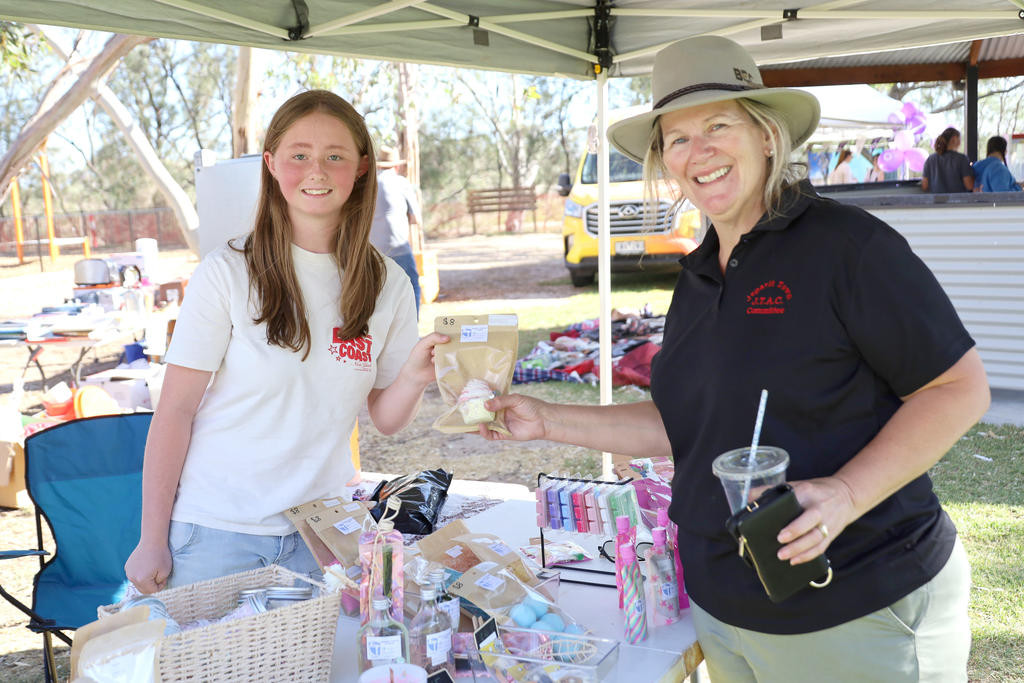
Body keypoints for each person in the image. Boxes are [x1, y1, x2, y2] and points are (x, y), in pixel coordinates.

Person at [480, 36, 990, 681]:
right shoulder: (696, 276)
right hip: (725, 609)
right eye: (679, 139)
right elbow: (687, 427)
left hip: (857, 606)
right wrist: (547, 420)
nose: (701, 152)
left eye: (719, 126)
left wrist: (844, 494)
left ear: (767, 137)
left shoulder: (849, 247)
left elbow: (957, 389)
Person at [125, 90, 447, 593]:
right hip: (216, 533)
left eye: (334, 157)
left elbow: (386, 417)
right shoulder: (227, 273)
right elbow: (175, 412)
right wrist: (151, 539)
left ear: (361, 167)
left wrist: (415, 375)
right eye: (300, 155)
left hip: (319, 536)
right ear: (272, 164)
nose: (316, 172)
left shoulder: (387, 283)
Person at [370, 146, 423, 317]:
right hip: (397, 247)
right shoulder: (401, 183)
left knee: (379, 294)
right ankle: (411, 327)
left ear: (378, 166)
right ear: (397, 166)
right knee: (411, 285)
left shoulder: (368, 186)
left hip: (372, 251)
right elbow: (416, 219)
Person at [921, 127, 974, 192]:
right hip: (959, 200)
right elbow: (969, 186)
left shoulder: (930, 159)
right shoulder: (962, 159)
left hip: (936, 201)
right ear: (954, 139)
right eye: (959, 139)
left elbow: (924, 186)